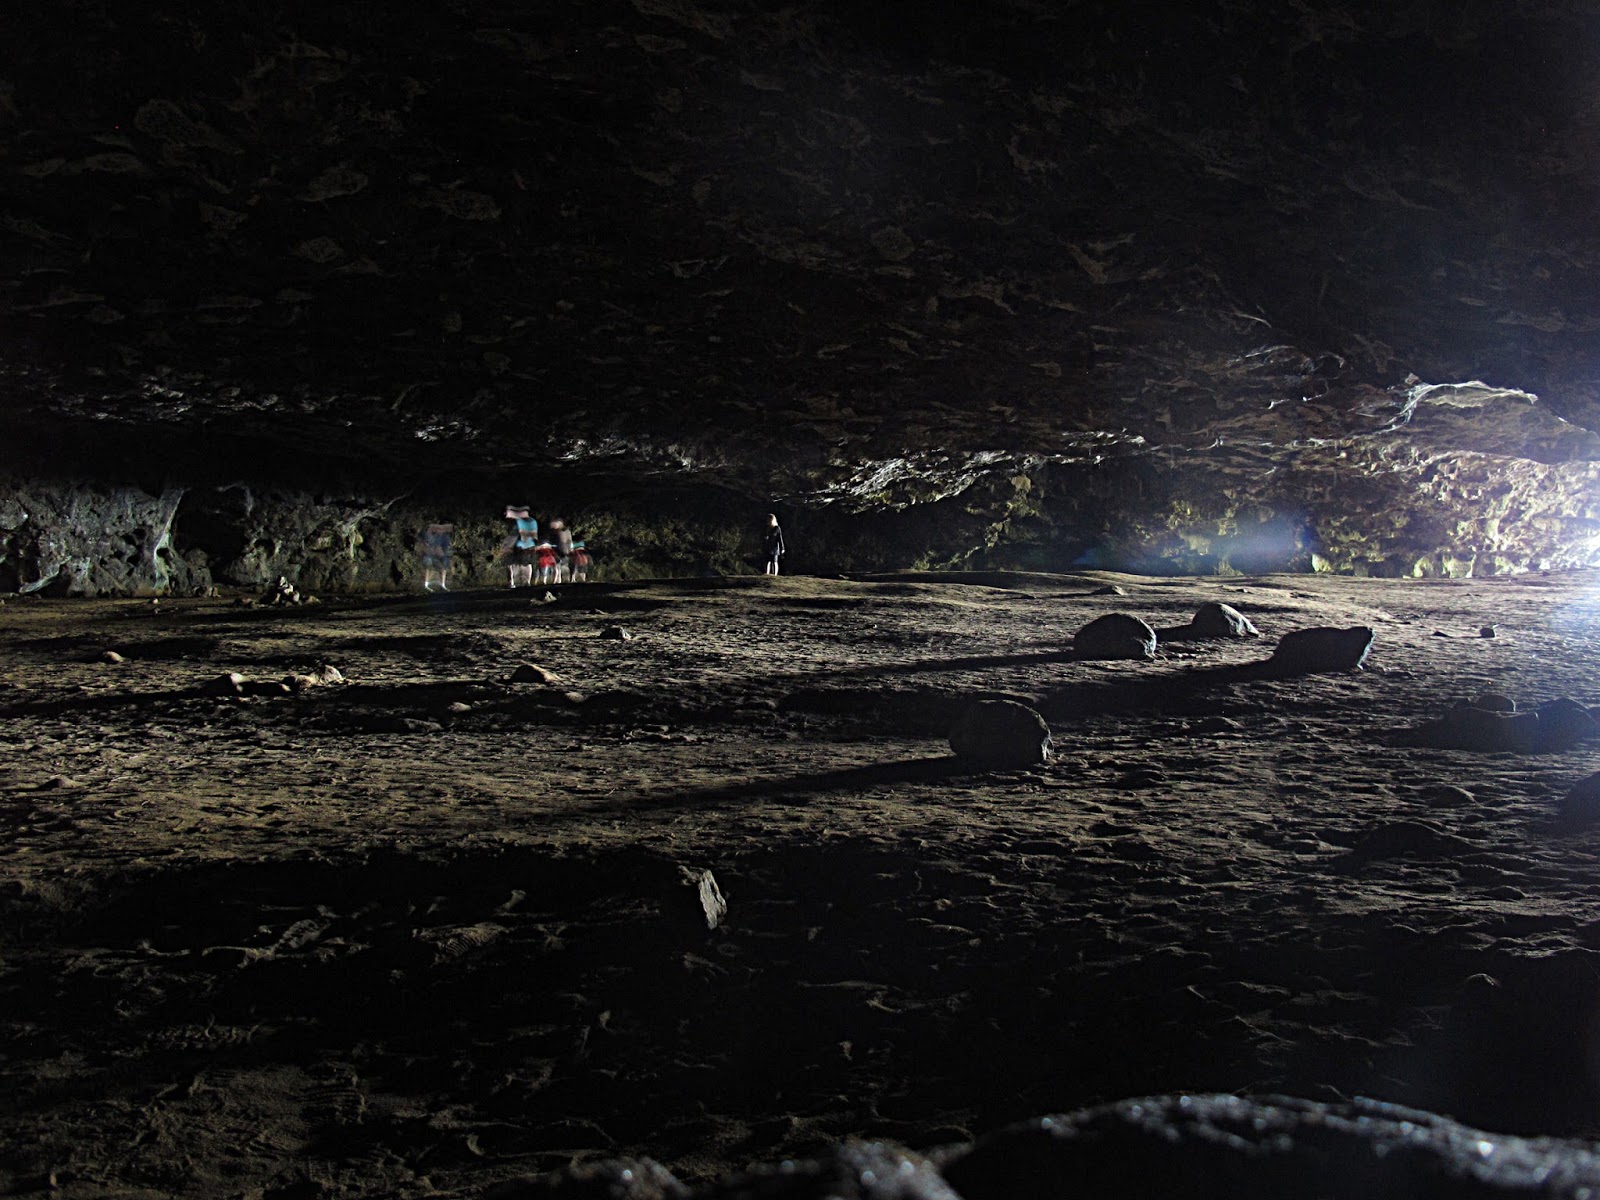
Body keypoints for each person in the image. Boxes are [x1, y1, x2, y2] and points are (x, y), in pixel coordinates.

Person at [500, 505, 538, 588]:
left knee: (511, 562)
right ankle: (526, 582)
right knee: (526, 563)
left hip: (520, 546)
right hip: (529, 545)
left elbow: (514, 535)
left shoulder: (519, 522)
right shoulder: (533, 521)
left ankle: (512, 582)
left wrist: (507, 546)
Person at [418, 522, 454, 591]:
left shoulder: (444, 536)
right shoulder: (430, 535)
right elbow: (426, 544)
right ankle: (426, 585)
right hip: (431, 553)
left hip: (439, 553)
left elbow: (447, 546)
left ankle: (442, 585)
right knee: (428, 566)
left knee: (444, 566)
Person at [549, 518, 574, 582]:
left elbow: (570, 541)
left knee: (564, 565)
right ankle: (558, 580)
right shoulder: (554, 533)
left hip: (564, 550)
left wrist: (571, 549)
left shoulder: (566, 532)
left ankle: (566, 580)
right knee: (558, 566)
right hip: (558, 550)